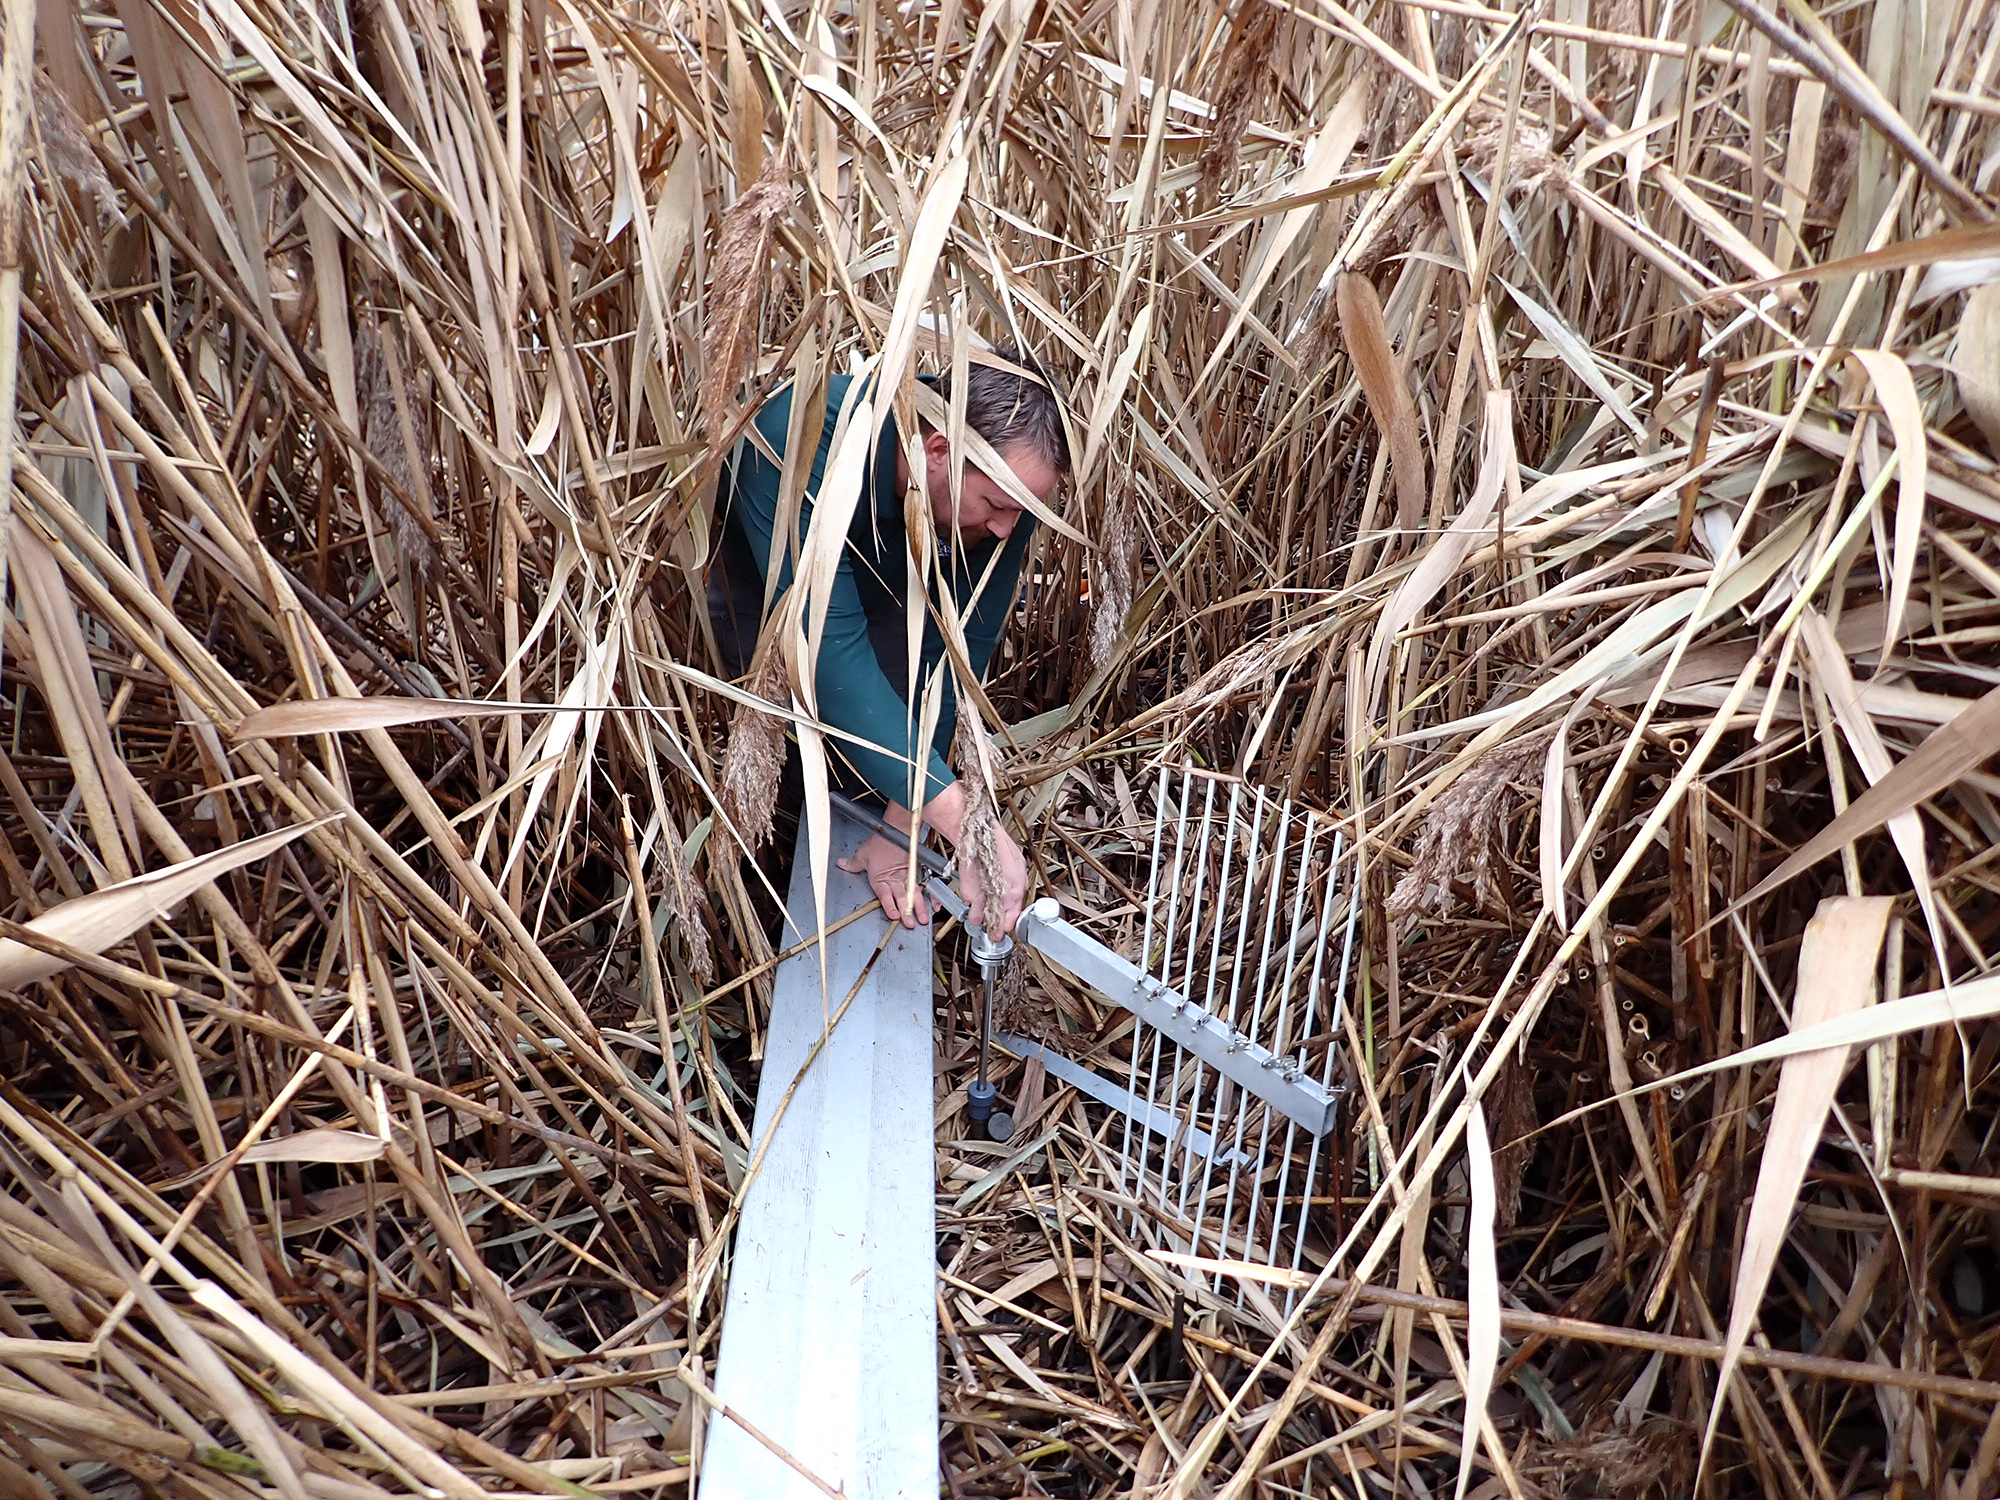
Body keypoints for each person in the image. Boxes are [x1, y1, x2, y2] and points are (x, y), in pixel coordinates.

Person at [709, 350, 1069, 937]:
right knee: (791, 741)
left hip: (896, 579)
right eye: (999, 508)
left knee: (880, 760)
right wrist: (968, 823)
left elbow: (956, 660)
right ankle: (762, 883)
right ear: (938, 452)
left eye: (1024, 512)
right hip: (767, 590)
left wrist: (903, 827)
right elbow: (827, 654)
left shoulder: (1006, 497)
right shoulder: (795, 438)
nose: (1010, 530)